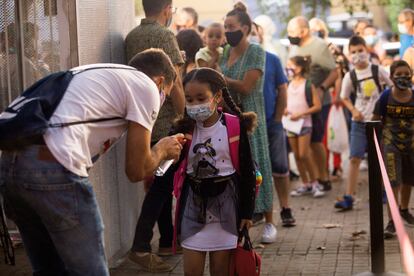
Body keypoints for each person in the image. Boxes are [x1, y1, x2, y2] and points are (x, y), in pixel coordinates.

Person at [0, 49, 183, 275]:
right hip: (55, 164)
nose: (161, 100)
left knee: (50, 269)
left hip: (11, 167)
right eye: (165, 93)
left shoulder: (96, 75)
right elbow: (136, 170)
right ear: (161, 80)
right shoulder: (146, 85)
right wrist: (162, 149)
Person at [172, 67, 256, 276]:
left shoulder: (234, 127)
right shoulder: (183, 130)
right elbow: (172, 167)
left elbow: (247, 172)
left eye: (201, 98)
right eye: (189, 99)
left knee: (221, 271)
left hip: (227, 207)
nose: (194, 105)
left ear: (217, 96)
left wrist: (247, 212)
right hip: (192, 205)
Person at [125, 0, 186, 272]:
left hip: (141, 121)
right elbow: (176, 82)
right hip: (165, 123)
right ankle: (141, 245)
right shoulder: (165, 36)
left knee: (159, 182)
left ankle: (167, 240)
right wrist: (183, 117)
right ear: (167, 8)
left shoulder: (131, 36)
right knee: (162, 186)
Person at [220, 2, 275, 244]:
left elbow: (246, 85)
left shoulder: (256, 51)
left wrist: (223, 79)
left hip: (252, 119)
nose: (227, 31)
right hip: (230, 119)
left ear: (245, 27)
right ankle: (241, 221)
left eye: (231, 27)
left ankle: (270, 221)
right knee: (236, 168)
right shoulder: (224, 52)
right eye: (225, 27)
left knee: (259, 166)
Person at [335, 36, 393, 210]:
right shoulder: (350, 76)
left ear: (366, 50)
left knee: (381, 157)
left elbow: (391, 88)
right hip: (359, 123)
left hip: (379, 122)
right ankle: (349, 196)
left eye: (360, 50)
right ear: (349, 54)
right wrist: (353, 110)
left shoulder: (378, 70)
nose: (358, 55)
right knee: (354, 158)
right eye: (353, 52)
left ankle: (385, 191)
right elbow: (343, 97)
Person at [250, 22, 295, 226]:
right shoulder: (237, 61)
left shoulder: (272, 59)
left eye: (254, 33)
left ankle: (285, 208)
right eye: (248, 33)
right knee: (255, 170)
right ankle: (258, 208)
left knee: (279, 167)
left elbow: (282, 89)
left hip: (272, 123)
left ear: (260, 36)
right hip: (250, 126)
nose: (251, 36)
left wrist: (277, 118)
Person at [287, 16, 338, 191]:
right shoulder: (293, 48)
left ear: (304, 31)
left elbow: (334, 72)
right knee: (302, 147)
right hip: (297, 106)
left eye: (292, 32)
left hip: (318, 103)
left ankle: (324, 178)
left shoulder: (319, 46)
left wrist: (322, 88)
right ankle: (311, 180)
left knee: (316, 141)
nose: (290, 36)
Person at [372, 60, 414, 238]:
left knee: (408, 180)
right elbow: (374, 120)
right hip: (391, 144)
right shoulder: (385, 97)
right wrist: (374, 144)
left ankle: (404, 209)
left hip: (412, 145)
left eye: (407, 74)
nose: (403, 78)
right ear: (391, 77)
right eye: (399, 75)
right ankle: (392, 220)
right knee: (392, 182)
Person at [286, 56, 324, 198]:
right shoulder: (288, 84)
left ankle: (315, 183)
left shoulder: (308, 84)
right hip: (290, 124)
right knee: (296, 155)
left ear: (299, 68)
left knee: (304, 154)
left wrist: (301, 114)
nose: (288, 68)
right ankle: (305, 183)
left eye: (291, 65)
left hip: (304, 124)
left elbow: (317, 106)